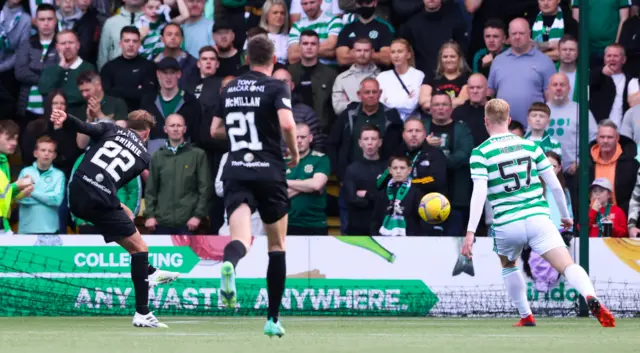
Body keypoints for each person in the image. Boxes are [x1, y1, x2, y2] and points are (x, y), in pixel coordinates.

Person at [462, 98, 616, 328]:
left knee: (509, 265)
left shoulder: (480, 153)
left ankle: (526, 315)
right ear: (509, 120)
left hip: (506, 222)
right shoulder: (531, 147)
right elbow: (555, 186)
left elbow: (479, 193)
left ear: (486, 121)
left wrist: (470, 232)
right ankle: (590, 295)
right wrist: (565, 216)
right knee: (567, 265)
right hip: (537, 218)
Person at [49, 108, 180, 328]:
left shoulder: (111, 129)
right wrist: (119, 204)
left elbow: (84, 127)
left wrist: (66, 118)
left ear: (127, 124)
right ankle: (142, 312)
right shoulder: (143, 156)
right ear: (146, 133)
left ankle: (151, 273)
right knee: (140, 248)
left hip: (78, 192)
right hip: (100, 199)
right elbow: (114, 181)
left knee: (133, 243)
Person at [210, 35, 298, 337]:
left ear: (247, 59)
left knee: (241, 238)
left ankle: (230, 266)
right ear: (273, 60)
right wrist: (294, 153)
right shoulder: (276, 86)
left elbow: (215, 130)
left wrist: (243, 138)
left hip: (236, 170)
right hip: (269, 171)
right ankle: (272, 319)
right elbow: (287, 124)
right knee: (277, 246)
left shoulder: (230, 88)